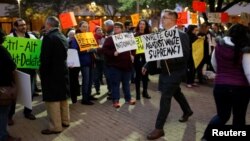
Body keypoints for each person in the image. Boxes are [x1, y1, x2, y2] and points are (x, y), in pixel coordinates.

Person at [143, 9, 193, 140]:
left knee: (165, 97)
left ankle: (159, 128)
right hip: (165, 71)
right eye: (162, 17)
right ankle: (187, 111)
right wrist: (147, 65)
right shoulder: (161, 34)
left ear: (173, 20)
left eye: (164, 18)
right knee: (176, 92)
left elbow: (186, 56)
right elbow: (155, 52)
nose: (162, 20)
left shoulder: (182, 35)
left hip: (176, 72)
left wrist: (171, 58)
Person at [201, 24, 250, 141]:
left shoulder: (219, 45)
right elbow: (249, 72)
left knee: (222, 116)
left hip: (220, 86)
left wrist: (223, 75)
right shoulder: (245, 49)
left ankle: (207, 137)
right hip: (240, 89)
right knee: (239, 117)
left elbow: (214, 64)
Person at [40, 16, 70, 135]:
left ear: (48, 24)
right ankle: (65, 121)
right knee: (63, 98)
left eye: (45, 24)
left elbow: (45, 58)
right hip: (62, 71)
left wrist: (42, 72)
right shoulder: (62, 35)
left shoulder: (49, 37)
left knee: (52, 100)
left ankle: (55, 126)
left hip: (51, 73)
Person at [8, 18, 37, 124]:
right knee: (14, 94)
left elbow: (36, 52)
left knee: (30, 92)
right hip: (15, 71)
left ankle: (28, 112)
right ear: (15, 27)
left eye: (24, 25)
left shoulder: (32, 37)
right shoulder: (10, 38)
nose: (24, 27)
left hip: (30, 70)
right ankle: (9, 115)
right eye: (21, 25)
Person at [102, 22, 136, 108]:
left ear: (122, 28)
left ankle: (128, 99)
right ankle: (115, 101)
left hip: (127, 65)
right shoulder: (110, 39)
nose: (116, 29)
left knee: (126, 84)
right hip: (115, 66)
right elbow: (104, 50)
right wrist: (113, 53)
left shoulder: (127, 37)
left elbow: (133, 47)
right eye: (115, 27)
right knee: (115, 84)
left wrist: (132, 55)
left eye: (118, 27)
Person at [0, 29, 21, 141]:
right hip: (3, 87)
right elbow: (12, 66)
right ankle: (3, 136)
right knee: (3, 112)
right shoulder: (2, 51)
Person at [71, 21, 97, 105]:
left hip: (91, 61)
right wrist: (86, 50)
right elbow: (74, 49)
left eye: (87, 26)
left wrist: (94, 48)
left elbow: (93, 46)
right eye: (83, 26)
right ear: (79, 27)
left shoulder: (89, 36)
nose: (85, 28)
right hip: (83, 62)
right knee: (86, 80)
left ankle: (88, 95)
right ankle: (84, 99)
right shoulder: (76, 37)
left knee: (90, 80)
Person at [133, 20, 151, 100]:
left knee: (145, 76)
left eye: (143, 24)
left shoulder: (149, 35)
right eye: (140, 24)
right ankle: (137, 93)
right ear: (138, 25)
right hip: (137, 58)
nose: (142, 25)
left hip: (146, 58)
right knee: (138, 76)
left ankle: (145, 92)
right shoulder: (134, 35)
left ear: (146, 26)